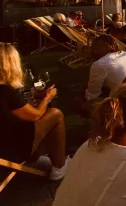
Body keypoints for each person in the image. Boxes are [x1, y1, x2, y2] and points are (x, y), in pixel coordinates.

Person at [0, 43, 70, 179]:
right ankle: (59, 167)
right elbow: (35, 115)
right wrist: (48, 97)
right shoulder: (5, 92)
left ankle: (43, 156)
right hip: (7, 151)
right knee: (55, 114)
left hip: (4, 140)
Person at [85, 35, 126, 102]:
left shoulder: (99, 64)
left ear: (106, 47)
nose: (92, 51)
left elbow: (92, 95)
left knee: (79, 102)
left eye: (94, 48)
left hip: (125, 100)